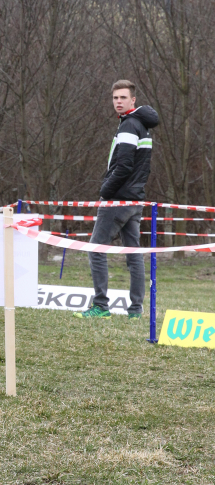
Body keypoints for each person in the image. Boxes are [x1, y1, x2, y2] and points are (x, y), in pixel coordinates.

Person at [74, 80, 159, 320]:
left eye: (123, 98)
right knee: (134, 254)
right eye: (115, 98)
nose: (118, 102)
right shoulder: (142, 125)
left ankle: (100, 305)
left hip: (118, 200)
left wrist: (106, 191)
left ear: (134, 100)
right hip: (135, 200)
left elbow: (123, 167)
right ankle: (136, 310)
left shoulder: (129, 126)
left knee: (95, 249)